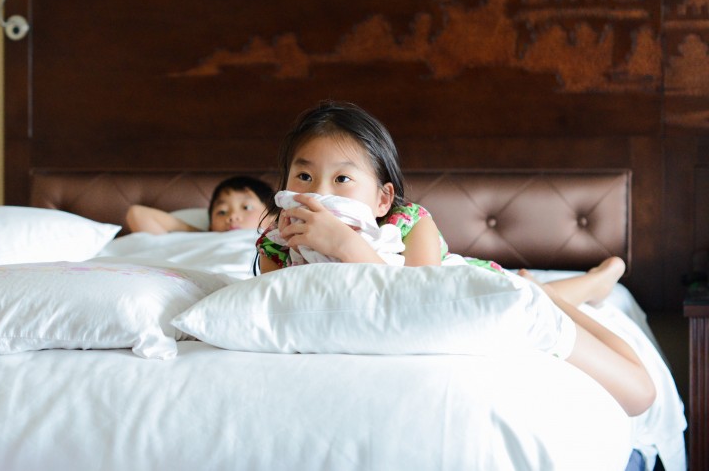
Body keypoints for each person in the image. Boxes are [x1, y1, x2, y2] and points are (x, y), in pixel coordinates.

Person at [256, 100, 655, 416]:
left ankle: (588, 281)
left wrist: (346, 245)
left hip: (473, 282)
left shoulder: (412, 224)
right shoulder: (276, 246)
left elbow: (423, 303)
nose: (319, 192)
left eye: (343, 179)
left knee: (549, 299)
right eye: (304, 177)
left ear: (381, 199)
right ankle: (562, 285)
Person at [126, 175, 274, 234]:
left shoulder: (278, 240)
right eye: (221, 212)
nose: (233, 216)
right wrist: (202, 233)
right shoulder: (205, 238)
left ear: (272, 218)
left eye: (246, 207)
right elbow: (137, 214)